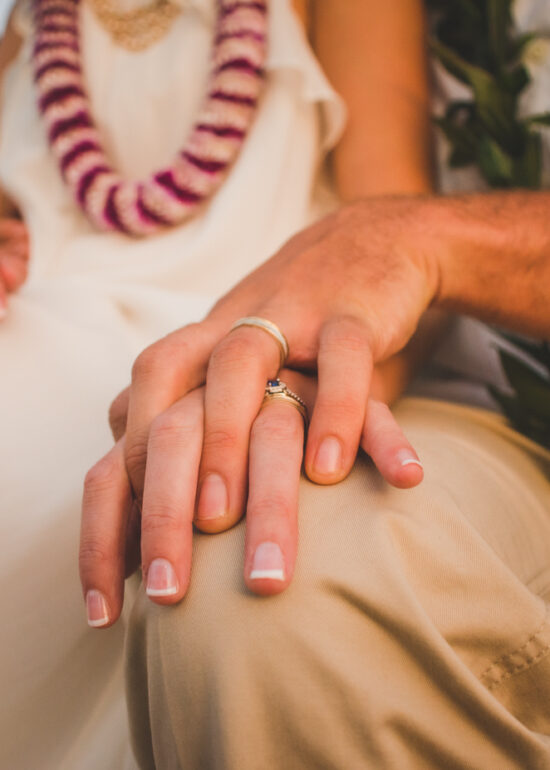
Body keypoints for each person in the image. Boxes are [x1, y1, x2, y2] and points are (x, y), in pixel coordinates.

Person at [80, 3, 550, 769]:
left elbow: (382, 227)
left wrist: (299, 372)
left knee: (246, 591)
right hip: (112, 339)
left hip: (374, 362)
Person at [0, 0, 439, 768]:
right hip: (35, 311)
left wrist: (318, 378)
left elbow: (400, 234)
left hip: (240, 330)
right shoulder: (30, 20)